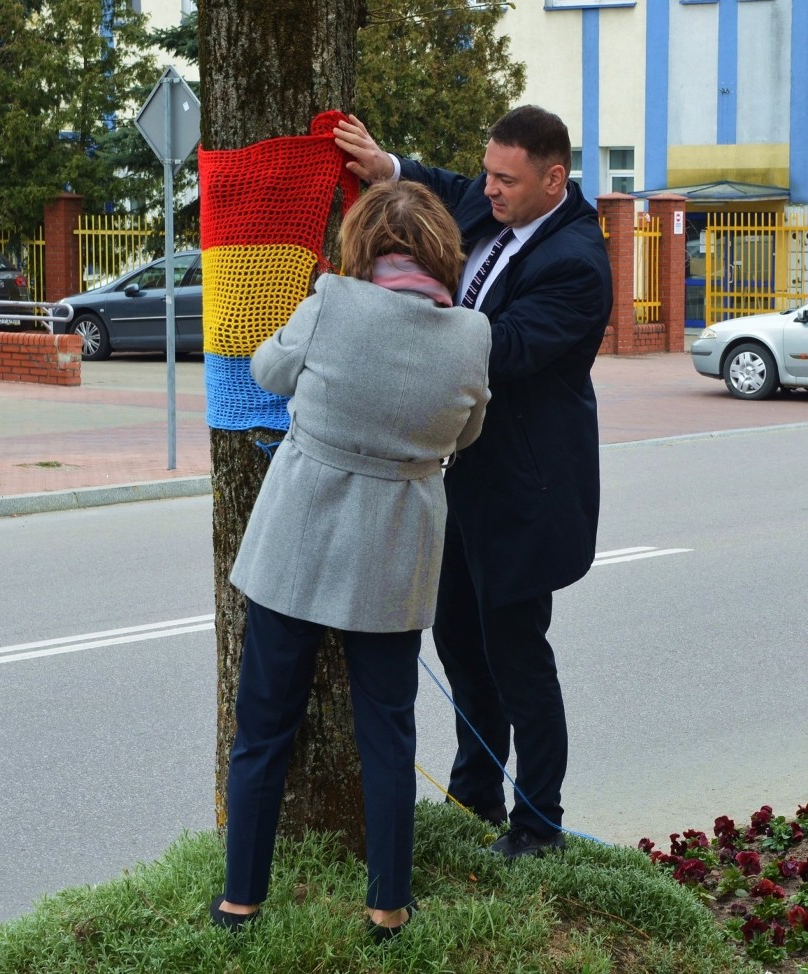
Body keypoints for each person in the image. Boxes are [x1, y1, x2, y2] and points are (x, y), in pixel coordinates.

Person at [210, 181, 491, 939]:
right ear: (441, 250)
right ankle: (388, 906)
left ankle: (240, 901)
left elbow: (268, 371)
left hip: (297, 540)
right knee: (389, 738)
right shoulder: (471, 333)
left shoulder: (330, 299)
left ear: (363, 244)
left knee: (263, 731)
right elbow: (465, 434)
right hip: (395, 551)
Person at [334, 106, 613, 858]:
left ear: (553, 179)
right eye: (488, 171)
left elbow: (503, 349)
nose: (488, 189)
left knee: (517, 656)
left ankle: (539, 822)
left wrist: (400, 326)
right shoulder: (490, 202)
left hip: (526, 496)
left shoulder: (576, 264)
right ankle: (476, 794)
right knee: (458, 639)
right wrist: (387, 165)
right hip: (459, 484)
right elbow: (443, 182)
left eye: (506, 179)